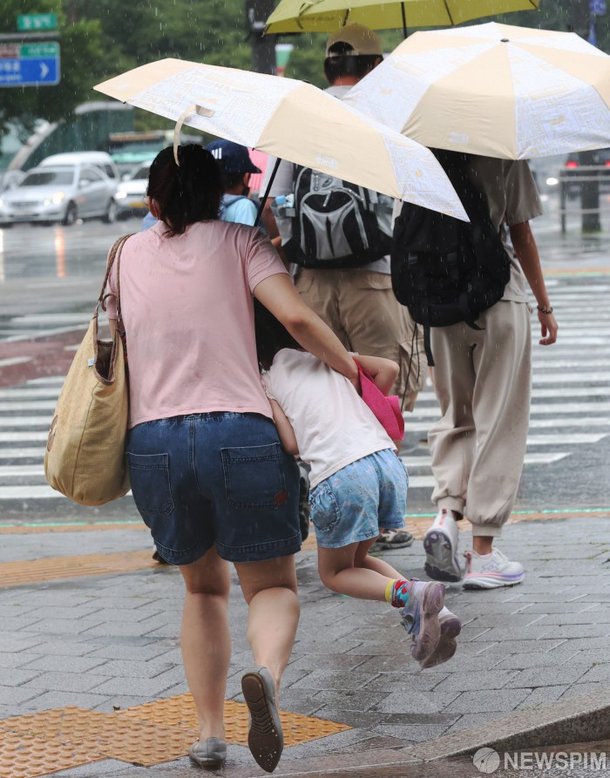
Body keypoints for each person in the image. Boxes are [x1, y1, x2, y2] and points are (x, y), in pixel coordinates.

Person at [104, 144, 360, 773]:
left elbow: (110, 344)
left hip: (155, 442)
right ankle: (266, 677)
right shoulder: (244, 243)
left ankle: (210, 735)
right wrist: (353, 369)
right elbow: (296, 319)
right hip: (241, 431)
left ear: (154, 202)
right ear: (222, 193)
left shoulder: (125, 253)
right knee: (271, 584)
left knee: (202, 590)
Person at [262, 23, 424, 551]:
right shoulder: (387, 117)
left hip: (310, 280)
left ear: (329, 66)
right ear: (375, 67)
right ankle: (385, 515)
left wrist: (304, 250)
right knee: (382, 386)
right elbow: (406, 196)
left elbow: (277, 202)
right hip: (376, 275)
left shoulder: (302, 117)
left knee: (327, 382)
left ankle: (339, 501)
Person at [255, 309, 462, 669]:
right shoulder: (330, 358)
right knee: (359, 561)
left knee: (334, 574)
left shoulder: (267, 379)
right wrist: (360, 410)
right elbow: (389, 369)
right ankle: (436, 611)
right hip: (385, 461)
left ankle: (406, 593)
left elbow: (291, 444)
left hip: (342, 475)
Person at [422, 155, 559, 589]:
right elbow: (521, 232)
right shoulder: (503, 147)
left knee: (455, 412)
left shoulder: (421, 142)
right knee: (499, 418)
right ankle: (482, 554)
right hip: (499, 296)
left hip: (439, 300)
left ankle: (446, 514)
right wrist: (543, 303)